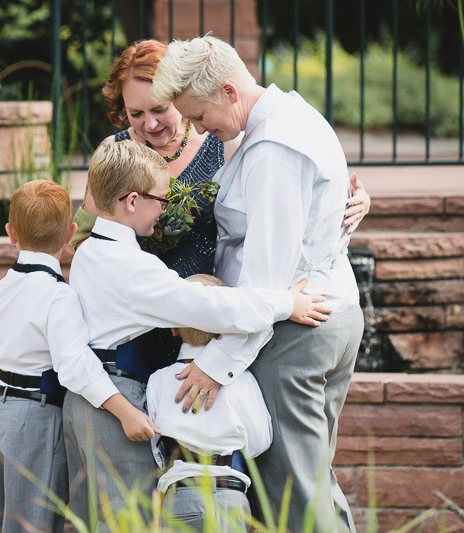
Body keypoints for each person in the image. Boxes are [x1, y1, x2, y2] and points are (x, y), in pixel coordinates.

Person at [152, 35, 365, 532]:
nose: (198, 127)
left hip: (295, 334)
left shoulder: (273, 149)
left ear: (228, 90)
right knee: (313, 478)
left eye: (199, 115)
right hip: (323, 315)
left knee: (292, 493)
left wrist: (217, 364)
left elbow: (268, 282)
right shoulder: (287, 116)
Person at [62, 139, 332, 530]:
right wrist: (285, 304)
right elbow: (212, 307)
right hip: (114, 403)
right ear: (132, 201)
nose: (166, 207)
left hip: (87, 401)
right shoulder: (131, 267)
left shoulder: (90, 250)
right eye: (161, 198)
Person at [74, 39, 371, 365]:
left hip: (212, 320)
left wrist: (354, 197)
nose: (150, 124)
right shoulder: (113, 154)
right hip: (135, 318)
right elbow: (82, 242)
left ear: (179, 97)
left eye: (160, 109)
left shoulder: (225, 141)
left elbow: (289, 186)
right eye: (136, 113)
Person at [0, 180, 158, 533]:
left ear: (10, 233)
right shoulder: (57, 295)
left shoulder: (6, 283)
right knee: (32, 524)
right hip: (37, 416)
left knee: (12, 523)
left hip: (2, 413)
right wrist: (125, 411)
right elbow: (74, 366)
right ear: (71, 233)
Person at [147, 273, 272, 532]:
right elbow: (261, 441)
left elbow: (155, 442)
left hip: (181, 495)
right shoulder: (241, 380)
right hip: (232, 496)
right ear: (224, 329)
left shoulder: (158, 380)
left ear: (173, 327)